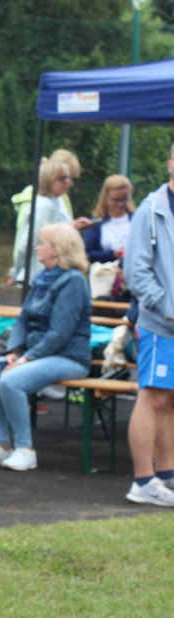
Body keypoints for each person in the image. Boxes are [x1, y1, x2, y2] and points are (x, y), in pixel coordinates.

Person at [0, 222, 92, 472]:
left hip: (69, 357)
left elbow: (60, 334)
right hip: (37, 353)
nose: (37, 248)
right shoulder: (42, 277)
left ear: (57, 249)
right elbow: (23, 320)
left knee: (10, 381)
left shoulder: (74, 281)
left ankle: (25, 449)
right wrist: (14, 351)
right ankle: (1, 444)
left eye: (42, 243)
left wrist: (25, 359)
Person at [123, 142, 174, 506]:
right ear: (170, 162)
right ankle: (143, 481)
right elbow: (136, 272)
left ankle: (167, 475)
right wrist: (167, 309)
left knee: (170, 400)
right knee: (153, 397)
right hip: (160, 324)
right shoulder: (151, 209)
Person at [8, 158, 71, 286]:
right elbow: (27, 242)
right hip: (39, 275)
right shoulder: (44, 206)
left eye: (67, 178)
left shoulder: (52, 202)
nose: (68, 182)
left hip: (44, 274)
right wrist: (16, 271)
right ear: (49, 180)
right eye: (62, 178)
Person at [82, 174, 136, 264]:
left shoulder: (136, 219)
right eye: (116, 200)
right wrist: (112, 254)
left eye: (124, 199)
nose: (120, 204)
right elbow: (87, 254)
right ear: (106, 197)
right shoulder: (96, 223)